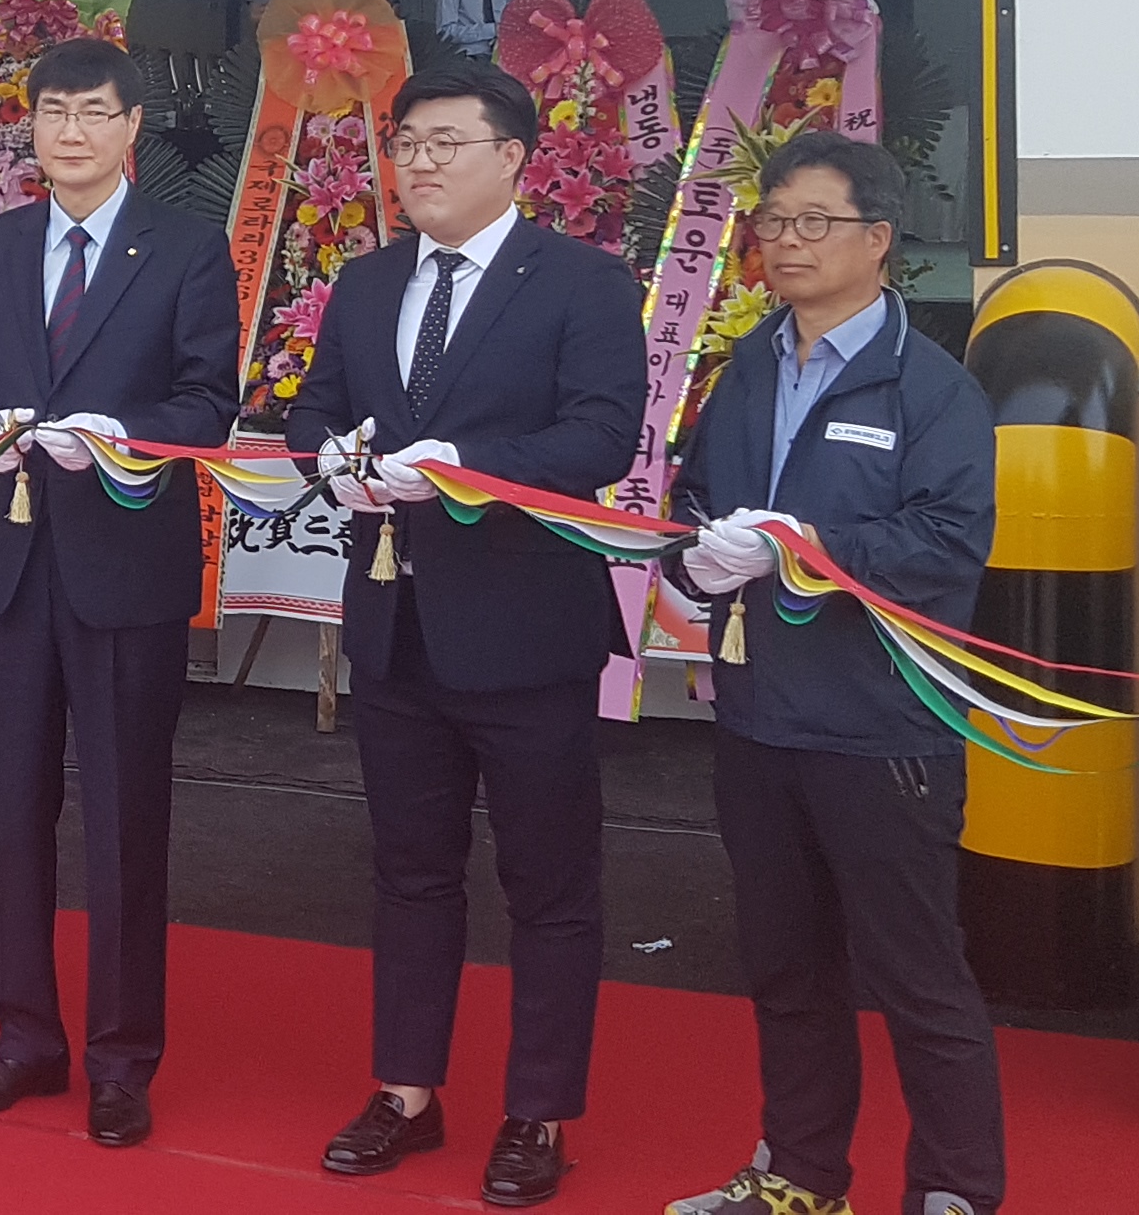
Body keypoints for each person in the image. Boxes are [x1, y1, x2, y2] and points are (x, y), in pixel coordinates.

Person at [293, 64, 651, 1209]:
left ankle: (539, 1111)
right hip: (395, 627)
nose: (421, 162)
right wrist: (331, 462)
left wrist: (468, 470)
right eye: (407, 142)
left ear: (513, 157)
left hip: (528, 629)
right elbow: (315, 409)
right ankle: (406, 1091)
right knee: (409, 872)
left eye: (446, 141)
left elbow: (602, 436)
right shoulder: (366, 282)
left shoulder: (583, 281)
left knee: (548, 882)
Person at [659, 135, 1004, 1215]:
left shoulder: (931, 388)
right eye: (773, 221)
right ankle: (801, 1177)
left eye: (815, 222)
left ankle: (955, 1190)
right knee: (787, 969)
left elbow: (949, 544)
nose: (787, 242)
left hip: (880, 727)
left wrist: (808, 547)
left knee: (916, 976)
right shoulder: (749, 369)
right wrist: (697, 557)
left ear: (879, 239)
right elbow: (690, 503)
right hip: (760, 721)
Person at [0, 35, 241, 1147]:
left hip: (125, 566)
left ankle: (122, 1057)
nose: (70, 132)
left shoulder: (186, 248)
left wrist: (124, 435)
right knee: (12, 811)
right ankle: (24, 1037)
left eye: (92, 112)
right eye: (52, 113)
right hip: (15, 563)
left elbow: (210, 400)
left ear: (132, 127)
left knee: (124, 817)